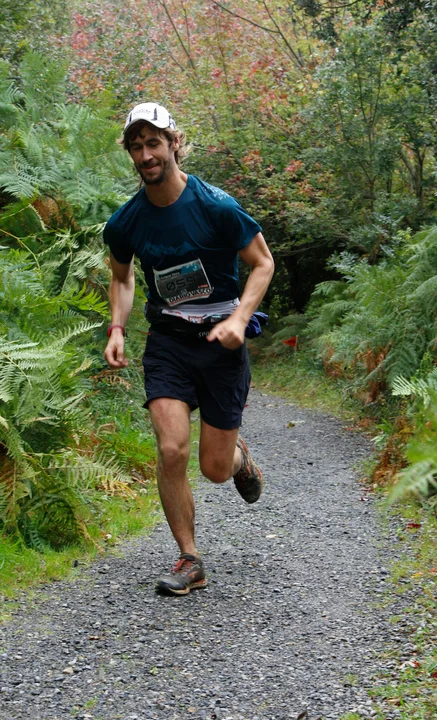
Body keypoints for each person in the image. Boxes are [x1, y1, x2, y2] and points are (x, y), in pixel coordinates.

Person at [103, 102, 274, 596]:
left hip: (221, 343)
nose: (146, 155)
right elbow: (122, 278)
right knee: (171, 448)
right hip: (169, 343)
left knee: (214, 469)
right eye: (137, 147)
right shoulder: (126, 222)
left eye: (154, 143)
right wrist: (117, 328)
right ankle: (189, 558)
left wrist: (239, 319)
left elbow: (262, 263)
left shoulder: (216, 206)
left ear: (174, 143)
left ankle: (238, 459)